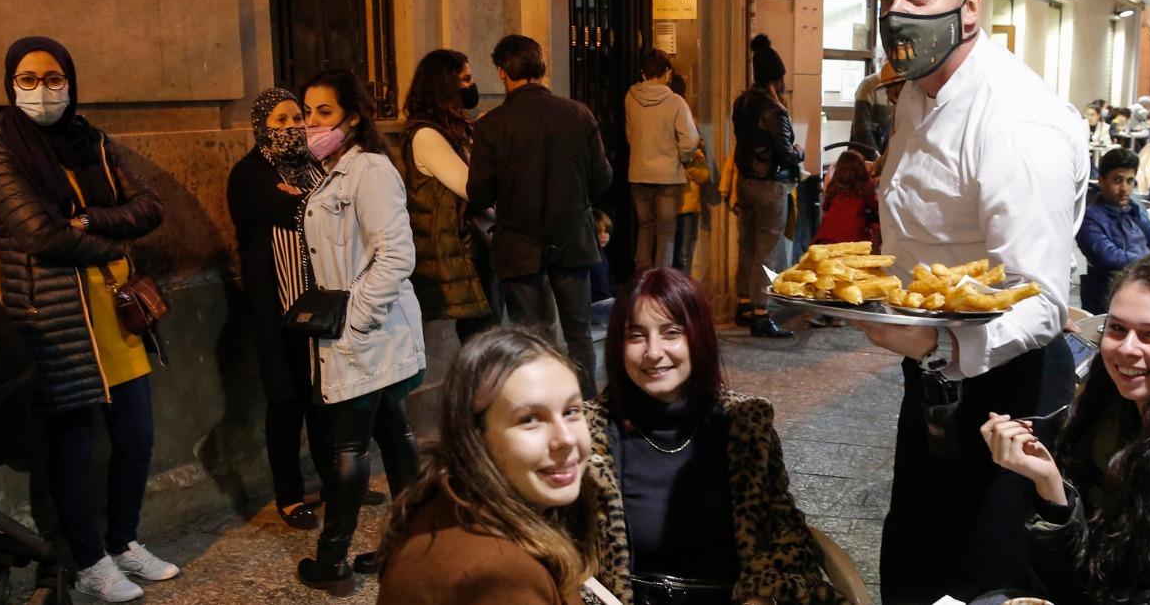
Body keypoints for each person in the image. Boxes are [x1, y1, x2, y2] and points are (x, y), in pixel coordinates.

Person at [856, 0, 1086, 604]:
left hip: (1007, 379)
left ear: (970, 9)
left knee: (988, 574)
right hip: (929, 371)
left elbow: (1041, 300)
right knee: (914, 563)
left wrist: (935, 340)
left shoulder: (1016, 119)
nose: (898, 13)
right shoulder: (914, 95)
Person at [0, 36, 175, 603]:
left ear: (72, 80)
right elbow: (37, 233)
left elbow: (150, 206)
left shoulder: (91, 140)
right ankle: (88, 560)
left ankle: (123, 541)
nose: (43, 90)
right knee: (74, 446)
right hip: (57, 318)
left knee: (136, 437)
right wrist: (111, 241)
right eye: (30, 79)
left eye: (54, 77)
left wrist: (88, 221)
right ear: (11, 83)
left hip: (117, 309)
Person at [585, 267, 844, 605]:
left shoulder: (745, 424)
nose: (653, 351)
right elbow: (565, 556)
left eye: (670, 332)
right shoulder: (589, 436)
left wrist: (761, 596)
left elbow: (786, 536)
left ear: (698, 337)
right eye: (635, 336)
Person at [983, 252, 1150, 603]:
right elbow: (1069, 585)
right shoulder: (1100, 412)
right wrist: (1051, 487)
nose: (1127, 349)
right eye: (1117, 329)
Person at [295, 69, 426, 596]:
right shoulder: (333, 172)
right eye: (307, 112)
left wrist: (357, 315)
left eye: (323, 112)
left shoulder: (369, 169)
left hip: (367, 329)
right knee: (394, 433)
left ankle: (332, 561)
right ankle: (413, 543)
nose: (311, 123)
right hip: (360, 332)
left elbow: (396, 254)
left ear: (351, 117)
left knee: (348, 447)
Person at [376, 327, 598, 605]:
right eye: (530, 419)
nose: (565, 438)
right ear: (475, 438)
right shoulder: (499, 576)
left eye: (571, 411)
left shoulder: (454, 499)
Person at [467, 34, 613, 399]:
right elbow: (603, 179)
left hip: (518, 242)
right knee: (579, 334)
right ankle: (585, 411)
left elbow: (480, 193)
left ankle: (547, 406)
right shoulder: (579, 115)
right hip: (572, 238)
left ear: (502, 73)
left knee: (534, 337)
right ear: (541, 67)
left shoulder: (492, 125)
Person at [227, 88, 331, 531]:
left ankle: (336, 480)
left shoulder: (315, 166)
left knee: (325, 400)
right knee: (286, 402)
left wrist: (306, 201)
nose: (291, 129)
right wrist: (306, 203)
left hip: (322, 302)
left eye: (296, 119)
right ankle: (289, 496)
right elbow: (299, 212)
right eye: (280, 122)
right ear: (260, 128)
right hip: (279, 308)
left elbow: (333, 212)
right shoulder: (248, 174)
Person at [399, 49, 496, 343]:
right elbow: (471, 187)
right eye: (465, 79)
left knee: (485, 332)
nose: (472, 85)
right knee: (480, 337)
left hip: (473, 241)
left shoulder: (452, 128)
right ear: (446, 86)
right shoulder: (427, 135)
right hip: (460, 247)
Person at [731, 34, 805, 338]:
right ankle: (761, 315)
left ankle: (745, 304)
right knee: (768, 249)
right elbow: (786, 154)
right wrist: (800, 152)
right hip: (770, 185)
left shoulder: (742, 102)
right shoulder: (775, 110)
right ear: (777, 77)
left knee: (747, 244)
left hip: (745, 181)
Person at [1077, 148, 1150, 314]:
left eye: (1130, 181)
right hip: (1112, 296)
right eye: (1118, 180)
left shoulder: (1133, 209)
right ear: (1101, 181)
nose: (1125, 188)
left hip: (1149, 286)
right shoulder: (1090, 218)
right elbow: (1112, 258)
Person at [625, 49, 700, 271]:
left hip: (638, 172)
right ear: (667, 73)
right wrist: (682, 158)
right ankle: (661, 278)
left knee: (645, 226)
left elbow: (630, 135)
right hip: (668, 175)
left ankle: (642, 275)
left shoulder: (631, 97)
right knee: (666, 229)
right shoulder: (675, 101)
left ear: (643, 73)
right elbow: (690, 140)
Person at [669, 71, 710, 277]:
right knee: (680, 253)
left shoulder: (688, 121)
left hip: (684, 198)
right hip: (683, 198)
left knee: (680, 253)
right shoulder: (687, 119)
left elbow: (701, 170)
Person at [813, 150, 878, 246]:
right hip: (850, 238)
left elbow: (825, 207)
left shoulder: (834, 186)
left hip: (825, 236)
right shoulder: (864, 187)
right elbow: (875, 205)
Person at [849, 61, 900, 153]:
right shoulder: (867, 85)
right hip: (862, 152)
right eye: (887, 91)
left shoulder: (905, 93)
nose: (888, 95)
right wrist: (874, 156)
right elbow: (862, 128)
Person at [590, 210, 615, 304]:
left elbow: (606, 286)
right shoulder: (589, 258)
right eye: (599, 232)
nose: (604, 236)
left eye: (606, 231)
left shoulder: (602, 254)